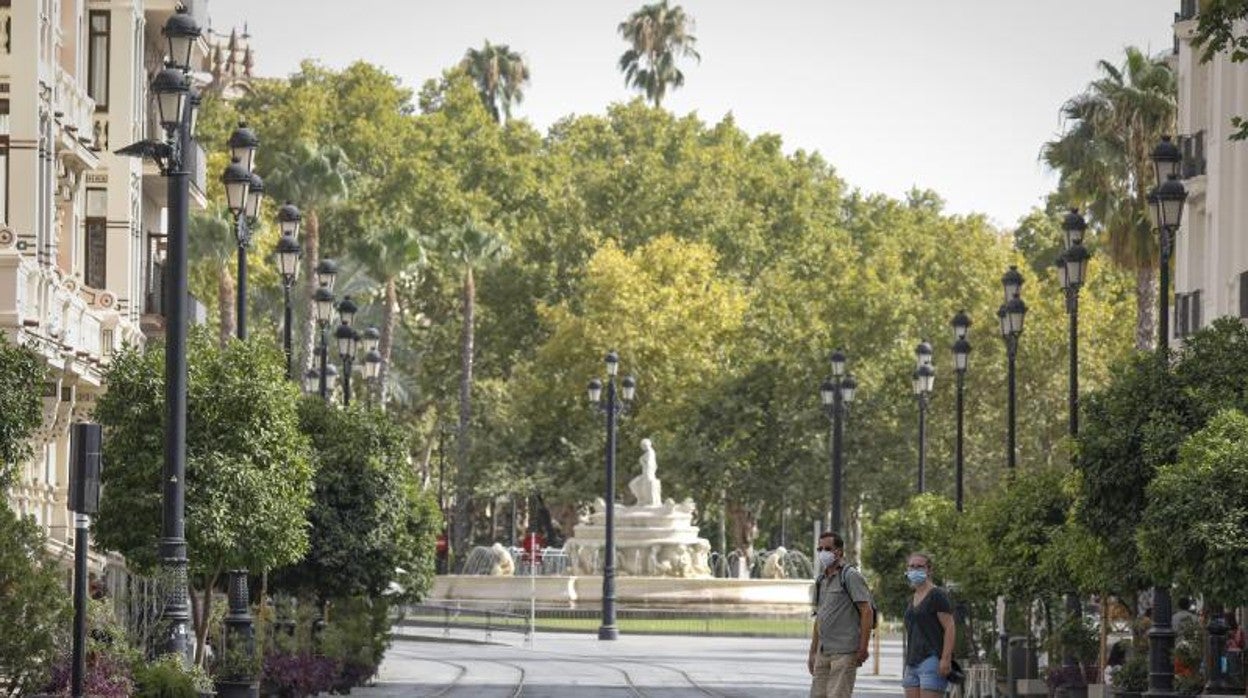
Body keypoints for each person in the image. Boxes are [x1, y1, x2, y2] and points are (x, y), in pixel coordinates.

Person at [808, 531, 873, 698]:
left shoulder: (850, 576)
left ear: (839, 551)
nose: (823, 552)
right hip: (824, 652)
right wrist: (812, 652)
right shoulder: (821, 580)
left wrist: (863, 648)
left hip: (844, 652)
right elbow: (819, 617)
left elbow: (867, 612)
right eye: (820, 548)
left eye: (828, 548)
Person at [902, 551, 955, 698]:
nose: (915, 570)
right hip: (912, 663)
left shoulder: (937, 595)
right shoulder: (912, 597)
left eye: (920, 567)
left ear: (929, 570)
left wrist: (945, 659)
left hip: (931, 660)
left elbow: (950, 627)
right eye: (911, 566)